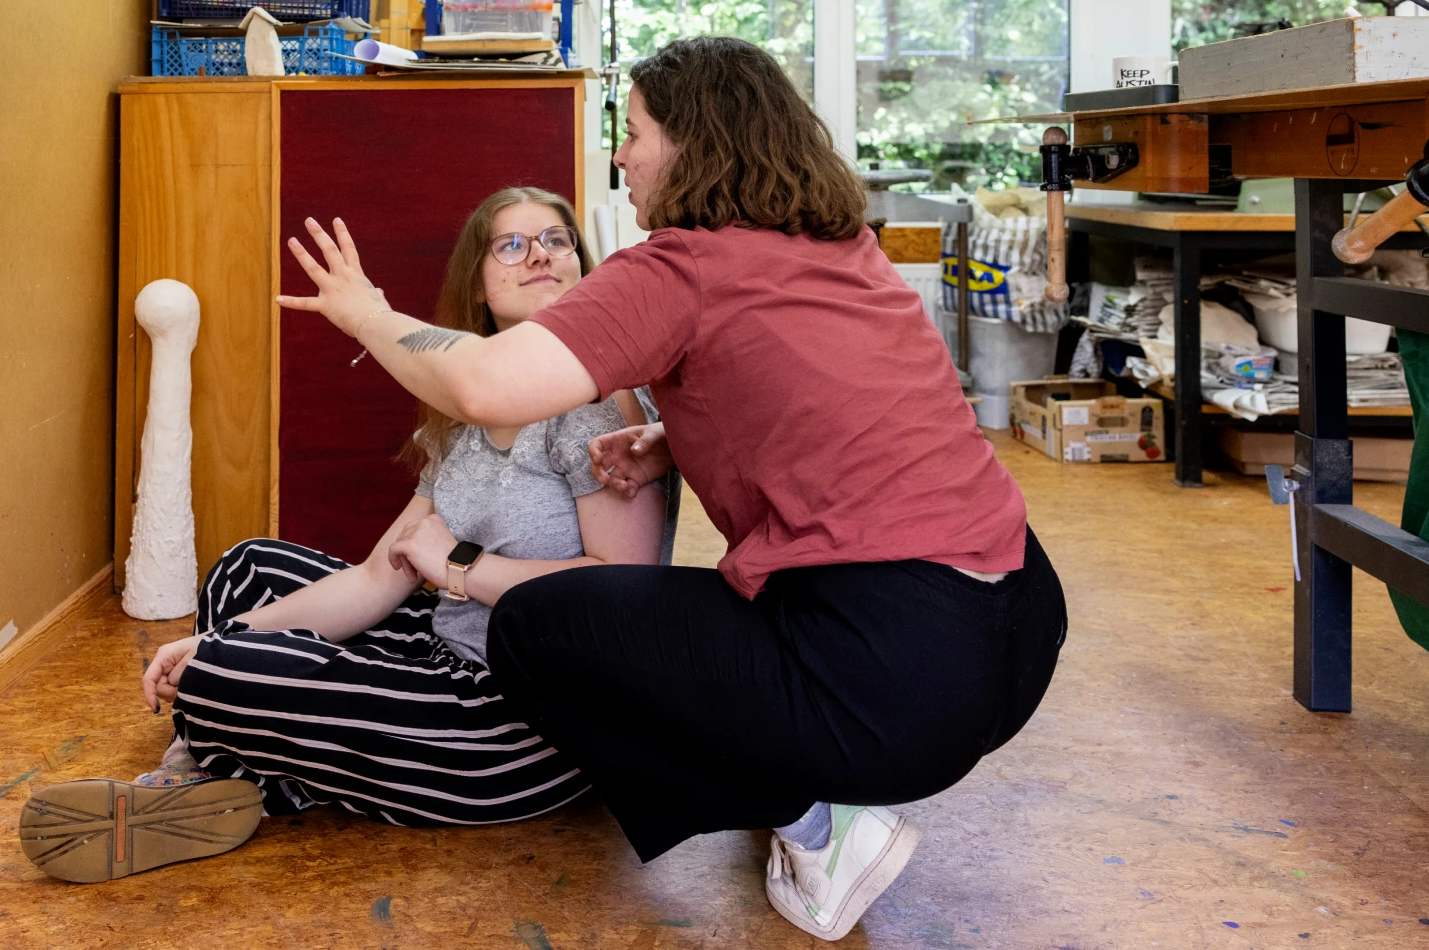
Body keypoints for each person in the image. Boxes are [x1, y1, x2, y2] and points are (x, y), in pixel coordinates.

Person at [271, 37, 1067, 942]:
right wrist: (674, 437)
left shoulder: (682, 265)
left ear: (693, 142)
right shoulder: (837, 244)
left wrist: (368, 313)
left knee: (541, 630)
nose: (620, 153)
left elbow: (482, 385)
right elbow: (827, 400)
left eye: (636, 129)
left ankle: (822, 826)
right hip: (1017, 632)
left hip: (896, 675)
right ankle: (812, 796)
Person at [18, 188, 675, 884]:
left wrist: (458, 566)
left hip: (527, 718)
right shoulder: (461, 413)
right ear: (478, 287)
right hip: (441, 652)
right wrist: (224, 640)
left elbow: (619, 595)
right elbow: (374, 578)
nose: (540, 253)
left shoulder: (597, 402)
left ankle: (230, 768)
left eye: (557, 239)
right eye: (512, 244)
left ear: (581, 263)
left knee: (222, 678)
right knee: (246, 574)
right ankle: (251, 772)